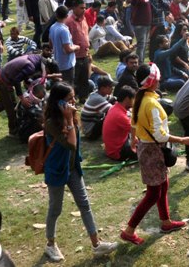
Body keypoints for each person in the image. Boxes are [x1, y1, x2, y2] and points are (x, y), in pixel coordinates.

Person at [119, 63, 189, 245]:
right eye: (158, 79)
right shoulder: (152, 103)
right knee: (153, 193)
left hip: (146, 148)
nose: (160, 81)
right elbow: (160, 135)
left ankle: (166, 221)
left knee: (164, 184)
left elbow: (134, 121)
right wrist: (183, 140)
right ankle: (129, 231)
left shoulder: (140, 97)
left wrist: (132, 139)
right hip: (153, 150)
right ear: (153, 81)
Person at [42, 82, 118, 261]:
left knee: (84, 205)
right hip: (57, 170)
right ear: (59, 103)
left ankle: (97, 245)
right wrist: (68, 120)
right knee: (55, 209)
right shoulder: (52, 123)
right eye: (70, 99)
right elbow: (71, 144)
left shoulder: (72, 116)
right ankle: (50, 244)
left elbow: (75, 147)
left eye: (73, 97)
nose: (74, 102)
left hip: (73, 167)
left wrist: (71, 119)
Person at [0, 53, 53, 136]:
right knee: (11, 107)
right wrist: (22, 98)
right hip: (4, 80)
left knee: (4, 103)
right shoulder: (31, 66)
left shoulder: (36, 58)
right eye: (48, 72)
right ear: (46, 67)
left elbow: (24, 77)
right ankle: (13, 131)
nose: (46, 74)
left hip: (5, 76)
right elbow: (17, 80)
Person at [64, 0, 92, 102]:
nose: (84, 10)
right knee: (74, 80)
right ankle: (72, 99)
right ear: (74, 8)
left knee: (84, 79)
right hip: (74, 57)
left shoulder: (84, 19)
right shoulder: (69, 22)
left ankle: (83, 98)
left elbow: (85, 34)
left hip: (84, 54)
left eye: (85, 8)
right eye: (81, 8)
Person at [103, 86, 137, 161]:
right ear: (127, 99)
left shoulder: (114, 107)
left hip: (111, 149)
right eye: (133, 99)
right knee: (147, 148)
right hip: (118, 152)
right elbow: (138, 131)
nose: (134, 101)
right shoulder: (120, 116)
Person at [49, 6, 77, 85]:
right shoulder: (64, 30)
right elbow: (67, 49)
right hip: (67, 63)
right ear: (67, 16)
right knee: (68, 86)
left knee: (63, 84)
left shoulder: (52, 27)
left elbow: (50, 44)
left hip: (58, 61)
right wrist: (76, 47)